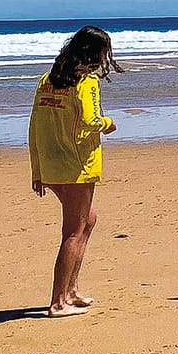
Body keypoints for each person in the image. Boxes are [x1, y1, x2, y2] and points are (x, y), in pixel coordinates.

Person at [28, 26, 121, 317]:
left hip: (52, 162)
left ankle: (71, 289)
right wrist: (109, 123)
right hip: (77, 164)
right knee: (73, 230)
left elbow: (34, 125)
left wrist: (37, 168)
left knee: (88, 220)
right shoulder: (86, 81)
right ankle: (58, 302)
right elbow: (90, 120)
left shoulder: (47, 80)